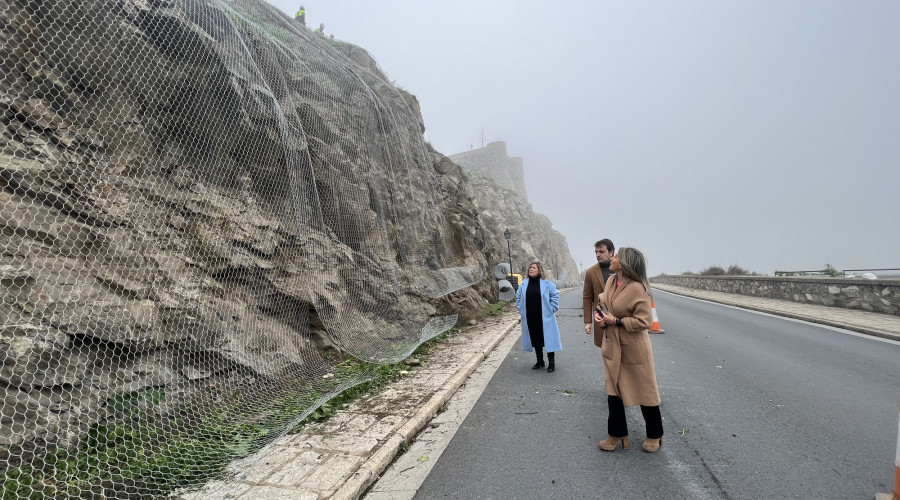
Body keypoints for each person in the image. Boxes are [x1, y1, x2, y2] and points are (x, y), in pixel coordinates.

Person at [594, 247, 664, 453]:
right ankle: (616, 434)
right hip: (612, 345)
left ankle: (655, 434)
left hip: (633, 348)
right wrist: (600, 317)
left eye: (615, 256)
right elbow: (603, 302)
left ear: (623, 263)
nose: (612, 258)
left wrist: (615, 320)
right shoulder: (610, 281)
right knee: (613, 392)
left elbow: (645, 321)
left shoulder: (638, 288)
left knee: (645, 392)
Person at [516, 261, 562, 373]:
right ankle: (540, 361)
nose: (531, 269)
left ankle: (551, 363)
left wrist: (552, 308)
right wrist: (521, 309)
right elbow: (518, 298)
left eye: (534, 268)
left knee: (548, 338)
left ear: (539, 270)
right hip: (530, 316)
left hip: (545, 316)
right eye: (530, 268)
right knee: (535, 337)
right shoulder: (523, 284)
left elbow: (555, 294)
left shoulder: (547, 283)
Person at [582, 239, 615, 346]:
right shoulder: (591, 272)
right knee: (606, 350)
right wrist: (588, 322)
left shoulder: (621, 269)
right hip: (601, 319)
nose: (598, 254)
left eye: (601, 252)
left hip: (620, 318)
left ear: (611, 252)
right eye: (596, 252)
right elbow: (587, 297)